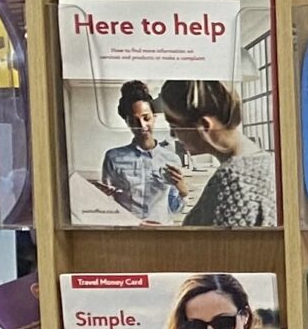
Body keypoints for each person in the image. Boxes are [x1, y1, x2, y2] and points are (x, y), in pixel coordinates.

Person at [155, 79, 280, 229]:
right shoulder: (265, 162)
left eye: (174, 126)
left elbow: (218, 250)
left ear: (205, 126)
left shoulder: (233, 180)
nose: (172, 134)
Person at [100, 80, 184, 221]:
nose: (142, 125)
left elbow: (174, 209)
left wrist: (182, 192)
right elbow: (108, 204)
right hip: (126, 232)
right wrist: (103, 195)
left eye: (146, 118)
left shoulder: (172, 159)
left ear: (154, 117)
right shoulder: (113, 158)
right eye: (134, 121)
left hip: (161, 232)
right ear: (127, 122)